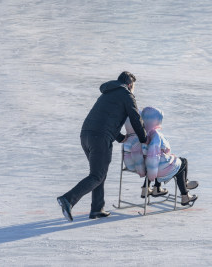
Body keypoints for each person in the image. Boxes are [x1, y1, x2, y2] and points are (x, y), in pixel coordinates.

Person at [57, 71, 147, 221]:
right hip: (99, 138)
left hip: (86, 135)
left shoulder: (108, 93)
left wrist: (119, 137)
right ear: (130, 84)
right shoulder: (126, 94)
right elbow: (135, 118)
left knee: (99, 173)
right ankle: (68, 199)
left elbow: (106, 116)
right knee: (97, 175)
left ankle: (97, 208)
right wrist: (144, 138)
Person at [141, 106, 198, 206]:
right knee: (182, 163)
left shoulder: (142, 133)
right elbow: (154, 156)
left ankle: (151, 188)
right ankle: (185, 194)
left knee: (175, 161)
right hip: (155, 167)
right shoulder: (155, 135)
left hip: (144, 164)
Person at [122, 116, 168, 198]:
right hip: (142, 168)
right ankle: (157, 187)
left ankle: (145, 188)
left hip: (129, 166)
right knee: (158, 160)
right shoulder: (144, 137)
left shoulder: (127, 138)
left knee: (152, 159)